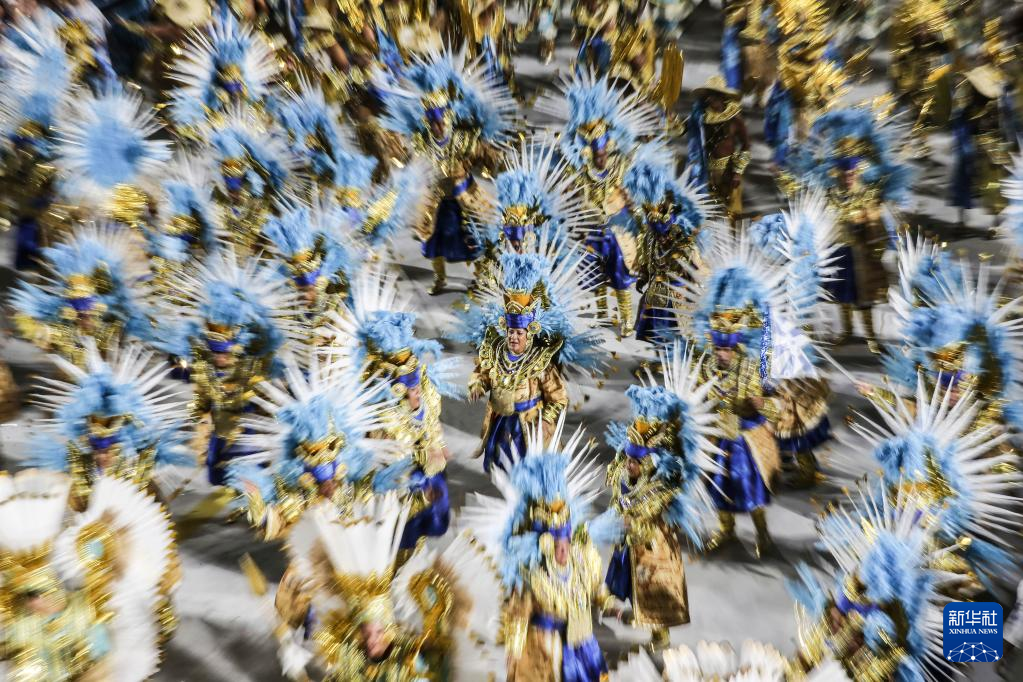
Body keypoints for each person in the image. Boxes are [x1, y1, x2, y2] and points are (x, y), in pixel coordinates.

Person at [604, 341, 718, 648]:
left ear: (648, 463)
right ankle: (635, 610)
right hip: (631, 538)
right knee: (629, 578)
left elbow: (648, 504)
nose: (629, 464)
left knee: (656, 585)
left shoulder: (662, 484)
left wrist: (631, 513)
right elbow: (615, 481)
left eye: (635, 461)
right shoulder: (624, 468)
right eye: (629, 459)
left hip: (655, 543)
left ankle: (660, 632)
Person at [378, 47, 514, 295]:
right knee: (433, 241)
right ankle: (440, 278)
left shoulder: (462, 139)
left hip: (466, 197)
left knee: (474, 238)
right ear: (427, 122)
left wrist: (494, 160)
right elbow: (410, 161)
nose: (438, 127)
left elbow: (483, 155)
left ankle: (481, 277)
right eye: (433, 123)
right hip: (436, 200)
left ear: (449, 117)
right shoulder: (422, 142)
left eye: (441, 121)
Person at [457, 247, 607, 472]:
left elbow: (558, 398)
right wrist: (477, 385)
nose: (513, 337)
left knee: (526, 469)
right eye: (510, 332)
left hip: (529, 426)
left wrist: (547, 419)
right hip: (501, 422)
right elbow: (482, 374)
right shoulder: (495, 352)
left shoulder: (540, 361)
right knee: (500, 466)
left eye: (519, 333)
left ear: (529, 334)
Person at [542, 72, 665, 336]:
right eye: (596, 154)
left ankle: (627, 318)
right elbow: (571, 193)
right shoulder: (579, 171)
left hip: (618, 227)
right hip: (592, 227)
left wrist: (637, 212)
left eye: (603, 152)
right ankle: (601, 312)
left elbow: (631, 187)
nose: (601, 158)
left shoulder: (619, 165)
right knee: (593, 270)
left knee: (620, 272)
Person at [688, 76, 750, 223]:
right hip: (707, 171)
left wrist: (737, 172)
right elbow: (685, 130)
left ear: (723, 97)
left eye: (715, 96)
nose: (711, 99)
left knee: (732, 213)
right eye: (709, 96)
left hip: (729, 170)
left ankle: (733, 236)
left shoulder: (735, 119)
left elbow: (746, 146)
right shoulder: (701, 118)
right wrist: (672, 122)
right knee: (708, 211)